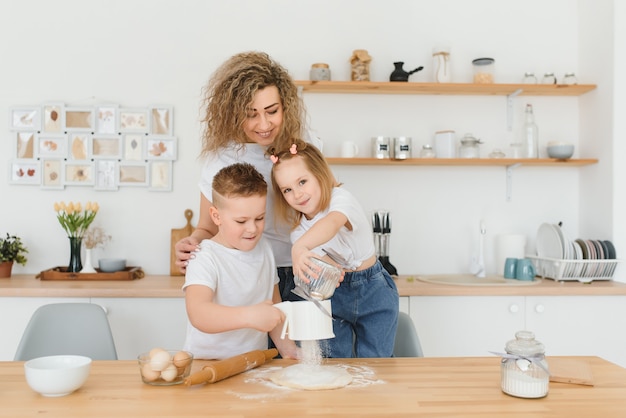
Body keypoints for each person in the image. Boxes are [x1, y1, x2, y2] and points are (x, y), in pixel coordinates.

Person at [174, 51, 320, 303]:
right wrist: (192, 243)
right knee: (258, 344)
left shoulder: (303, 147)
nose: (263, 124)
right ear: (232, 113)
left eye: (271, 111)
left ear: (285, 105)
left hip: (306, 271)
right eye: (251, 114)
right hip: (246, 272)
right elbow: (208, 227)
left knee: (302, 344)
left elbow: (328, 207)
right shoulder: (220, 157)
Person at [269, 140, 399, 358]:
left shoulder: (341, 199)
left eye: (302, 182)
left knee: (378, 363)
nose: (297, 194)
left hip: (374, 290)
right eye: (288, 189)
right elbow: (331, 269)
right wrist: (321, 270)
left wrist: (300, 248)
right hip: (335, 297)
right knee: (335, 362)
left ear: (320, 174)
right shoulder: (298, 232)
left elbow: (330, 224)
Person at [182, 162, 298, 360]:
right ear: (216, 216)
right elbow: (199, 314)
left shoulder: (265, 249)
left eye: (260, 218)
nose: (252, 229)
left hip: (252, 363)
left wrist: (290, 350)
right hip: (207, 363)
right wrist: (250, 316)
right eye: (241, 221)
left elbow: (274, 309)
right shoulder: (204, 257)